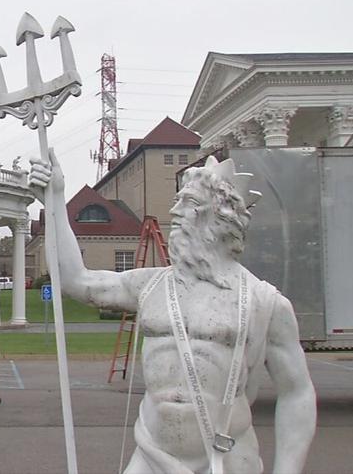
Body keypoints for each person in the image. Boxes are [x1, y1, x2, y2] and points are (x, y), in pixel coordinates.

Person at [29, 153, 316, 474]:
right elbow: (77, 281)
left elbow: (297, 392)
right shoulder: (150, 285)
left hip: (227, 457)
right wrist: (55, 200)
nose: (174, 211)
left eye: (188, 202)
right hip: (154, 455)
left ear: (221, 215)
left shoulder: (265, 302)